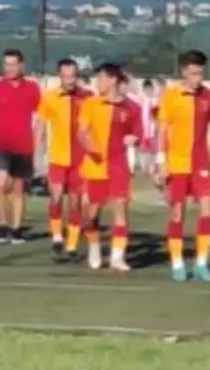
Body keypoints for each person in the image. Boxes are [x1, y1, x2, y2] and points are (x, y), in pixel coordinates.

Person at [155, 49, 210, 282]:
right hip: (177, 164)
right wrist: (160, 162)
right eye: (193, 73)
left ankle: (202, 263)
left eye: (201, 73)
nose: (198, 78)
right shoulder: (170, 97)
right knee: (177, 214)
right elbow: (162, 131)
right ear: (183, 72)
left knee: (207, 212)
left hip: (201, 164)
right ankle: (177, 263)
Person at [76, 64, 142, 271]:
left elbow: (138, 133)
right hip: (95, 166)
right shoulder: (91, 104)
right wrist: (89, 146)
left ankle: (117, 256)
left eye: (102, 78)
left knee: (120, 209)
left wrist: (134, 138)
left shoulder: (132, 108)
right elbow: (81, 132)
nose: (98, 83)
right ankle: (95, 247)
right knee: (91, 214)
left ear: (113, 80)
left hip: (118, 166)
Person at [36, 58, 92, 258]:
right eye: (66, 76)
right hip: (58, 156)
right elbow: (41, 125)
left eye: (73, 76)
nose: (70, 80)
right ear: (59, 77)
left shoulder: (87, 97)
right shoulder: (50, 97)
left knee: (75, 202)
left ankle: (72, 244)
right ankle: (57, 236)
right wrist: (38, 153)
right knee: (56, 197)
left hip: (80, 158)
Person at [0, 49, 42, 244]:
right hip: (1, 143)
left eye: (13, 64)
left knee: (18, 188)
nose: (9, 68)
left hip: (23, 145)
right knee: (0, 185)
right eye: (6, 64)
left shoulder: (32, 88)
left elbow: (38, 119)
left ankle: (16, 229)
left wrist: (37, 146)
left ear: (21, 65)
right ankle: (2, 226)